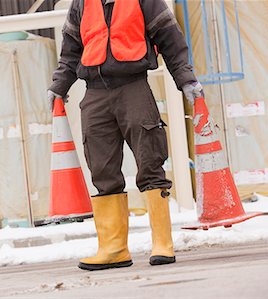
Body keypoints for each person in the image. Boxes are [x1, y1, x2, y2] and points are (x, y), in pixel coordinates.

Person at [48, 0, 203, 271]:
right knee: (102, 170)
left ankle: (162, 243)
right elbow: (71, 51)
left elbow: (170, 39)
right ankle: (113, 248)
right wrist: (58, 86)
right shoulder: (82, 4)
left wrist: (186, 79)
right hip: (94, 94)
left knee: (149, 160)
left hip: (134, 88)